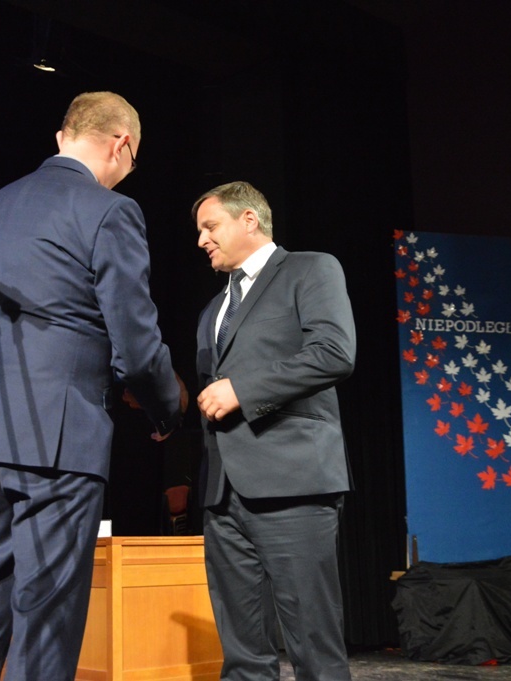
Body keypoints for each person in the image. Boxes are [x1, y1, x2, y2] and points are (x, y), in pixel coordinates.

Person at [0, 91, 183, 681]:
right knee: (46, 613)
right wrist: (165, 409)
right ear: (122, 144)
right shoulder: (109, 210)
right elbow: (135, 340)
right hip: (58, 436)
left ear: (61, 138)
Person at [192, 181, 356, 680]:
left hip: (293, 482)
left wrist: (242, 389)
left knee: (313, 643)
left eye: (210, 226)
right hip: (223, 495)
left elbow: (334, 353)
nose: (201, 240)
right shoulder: (212, 310)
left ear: (249, 219)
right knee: (242, 652)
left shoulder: (311, 268)